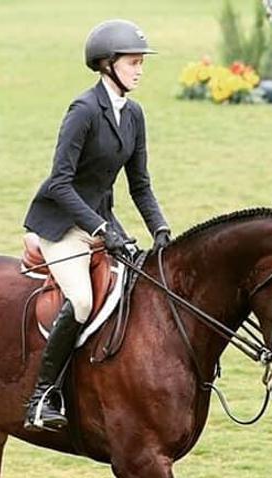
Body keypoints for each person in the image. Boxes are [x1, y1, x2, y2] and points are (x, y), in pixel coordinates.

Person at [23, 19, 171, 432]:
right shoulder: (84, 111)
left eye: (142, 63)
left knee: (138, 286)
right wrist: (100, 229)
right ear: (107, 64)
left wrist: (160, 228)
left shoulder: (134, 114)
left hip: (102, 221)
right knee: (84, 302)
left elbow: (139, 184)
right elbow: (60, 182)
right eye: (133, 62)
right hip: (61, 223)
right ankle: (42, 397)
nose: (140, 70)